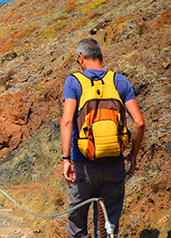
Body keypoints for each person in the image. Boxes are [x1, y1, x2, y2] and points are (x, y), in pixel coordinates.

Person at [61, 38, 145, 237]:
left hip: (83, 165)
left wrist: (66, 159)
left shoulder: (74, 82)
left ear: (80, 58)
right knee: (107, 227)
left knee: (77, 227)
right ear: (102, 56)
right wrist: (133, 155)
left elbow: (66, 122)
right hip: (114, 165)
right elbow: (139, 122)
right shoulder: (119, 81)